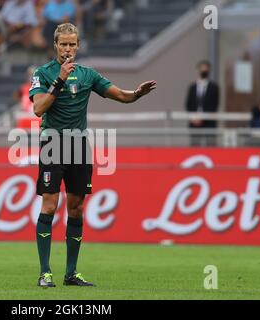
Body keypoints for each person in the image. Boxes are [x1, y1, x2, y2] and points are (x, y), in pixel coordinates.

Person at [29, 23, 156, 287]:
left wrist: (137, 95)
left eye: (72, 44)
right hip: (52, 144)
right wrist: (60, 80)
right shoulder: (43, 73)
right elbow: (39, 109)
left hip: (78, 146)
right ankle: (44, 273)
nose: (68, 49)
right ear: (55, 45)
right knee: (50, 206)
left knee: (76, 208)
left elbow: (120, 95)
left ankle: (71, 273)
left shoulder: (88, 75)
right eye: (63, 44)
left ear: (78, 46)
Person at [185, 60, 219, 147]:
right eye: (202, 68)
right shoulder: (192, 87)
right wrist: (194, 117)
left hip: (209, 122)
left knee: (210, 145)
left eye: (206, 69)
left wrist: (203, 117)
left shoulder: (214, 87)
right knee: (195, 145)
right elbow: (188, 104)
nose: (204, 70)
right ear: (198, 70)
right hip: (194, 122)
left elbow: (214, 105)